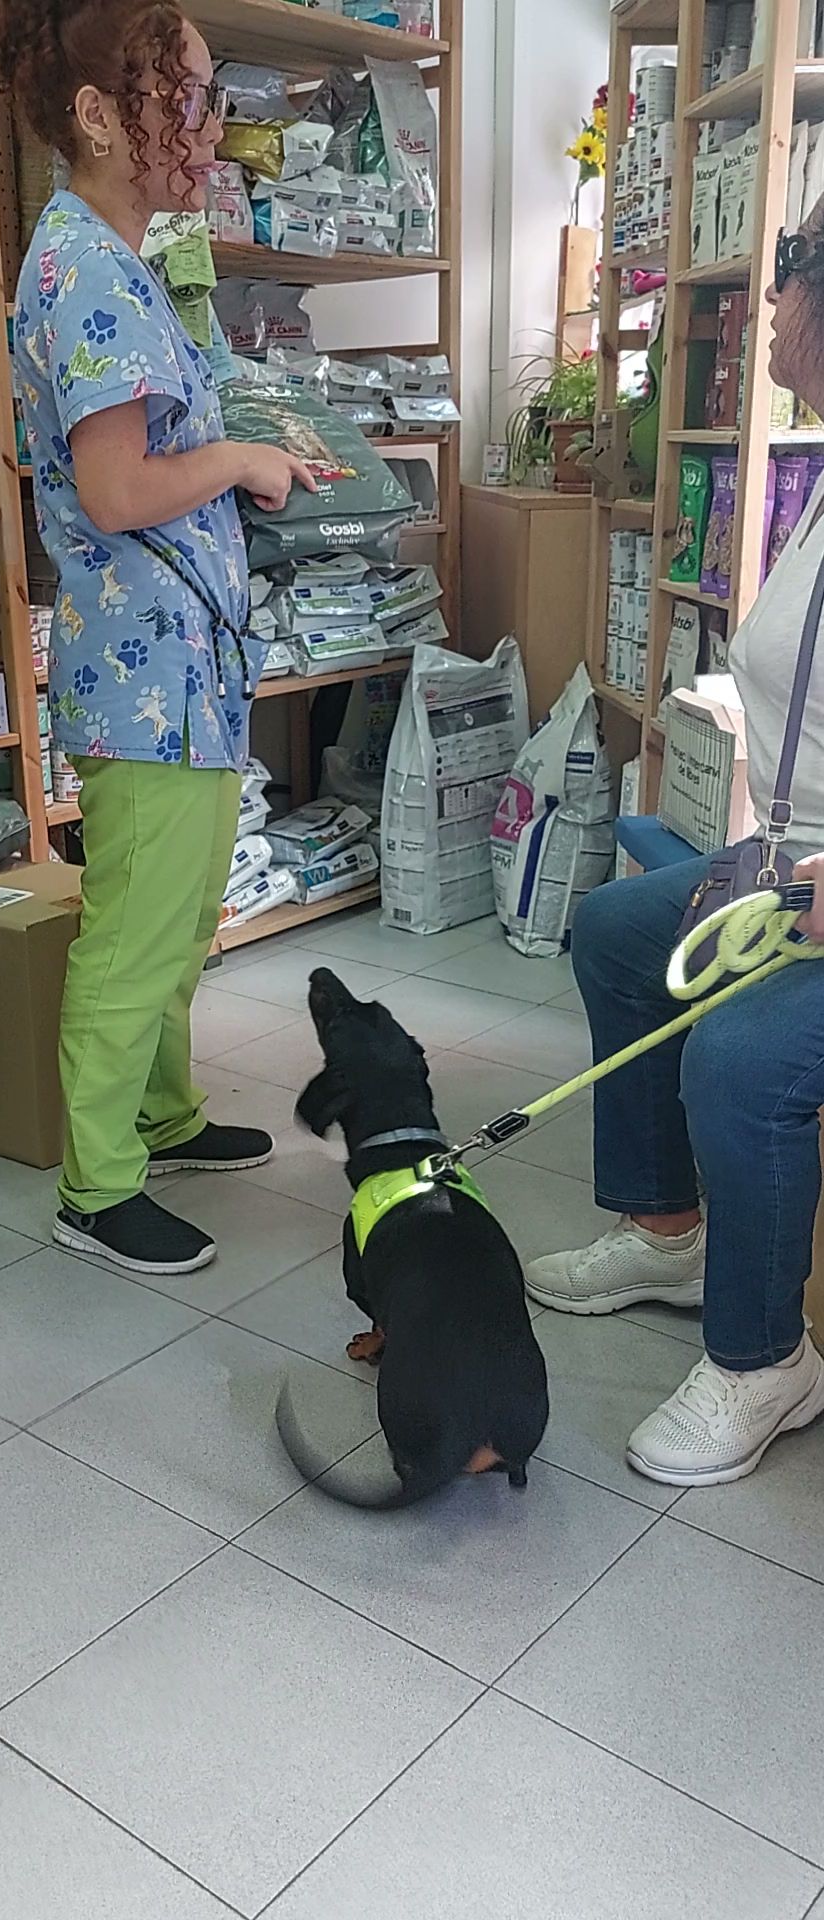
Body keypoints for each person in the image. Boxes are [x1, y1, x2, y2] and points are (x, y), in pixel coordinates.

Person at [0, 0, 314, 1277]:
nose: (210, 123)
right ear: (95, 116)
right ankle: (97, 1185)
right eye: (185, 95)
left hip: (181, 667)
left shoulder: (122, 258)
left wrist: (250, 453)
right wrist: (238, 461)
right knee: (136, 933)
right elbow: (120, 488)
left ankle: (162, 1116)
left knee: (179, 919)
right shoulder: (83, 267)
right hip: (147, 679)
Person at [527, 205, 824, 1487]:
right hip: (795, 863)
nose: (768, 312)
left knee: (741, 1059)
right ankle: (669, 1235)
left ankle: (766, 1361)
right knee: (615, 928)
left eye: (786, 282)